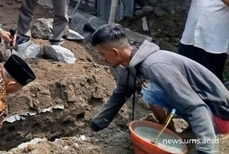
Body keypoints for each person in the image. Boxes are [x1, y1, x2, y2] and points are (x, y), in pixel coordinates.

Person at [89, 24, 229, 154]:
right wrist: (96, 125)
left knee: (149, 90)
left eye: (102, 54)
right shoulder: (128, 68)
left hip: (220, 116)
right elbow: (118, 96)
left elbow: (197, 107)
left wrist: (206, 150)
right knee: (149, 88)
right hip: (201, 113)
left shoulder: (155, 66)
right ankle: (182, 133)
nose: (102, 58)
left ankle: (205, 138)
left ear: (115, 52)